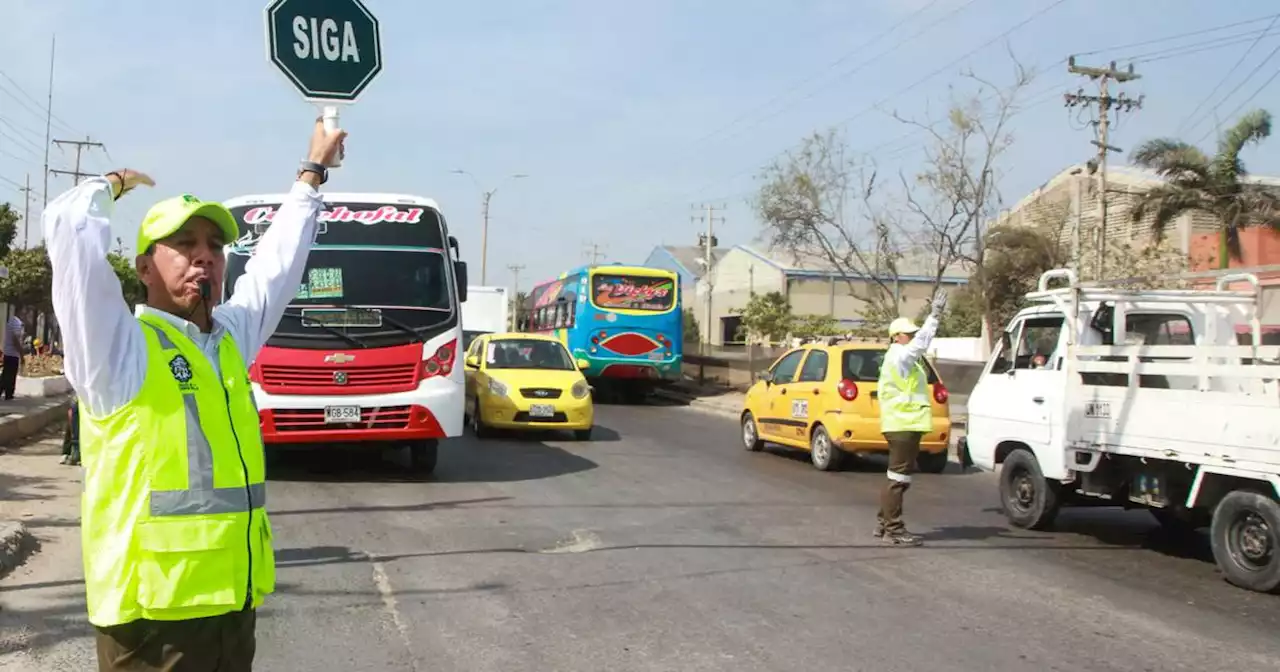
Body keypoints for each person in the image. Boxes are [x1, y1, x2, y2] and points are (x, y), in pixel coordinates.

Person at [44, 117, 346, 671]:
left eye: (213, 245)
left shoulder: (227, 340)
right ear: (144, 268)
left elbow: (276, 269)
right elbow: (68, 234)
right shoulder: (120, 350)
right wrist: (109, 184)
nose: (203, 256)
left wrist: (312, 173)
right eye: (183, 245)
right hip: (152, 621)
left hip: (232, 603)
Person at [874, 290, 948, 547]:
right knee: (898, 478)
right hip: (903, 424)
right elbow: (921, 345)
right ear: (896, 337)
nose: (913, 337)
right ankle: (893, 529)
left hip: (903, 423)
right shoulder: (899, 356)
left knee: (897, 477)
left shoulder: (900, 358)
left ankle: (885, 523)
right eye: (909, 333)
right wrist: (934, 317)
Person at [1, 311, 23, 400]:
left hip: (7, 352)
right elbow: (15, 340)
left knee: (6, 374)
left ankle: (7, 393)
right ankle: (9, 394)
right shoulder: (17, 322)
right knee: (10, 375)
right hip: (13, 354)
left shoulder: (10, 321)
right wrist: (22, 353)